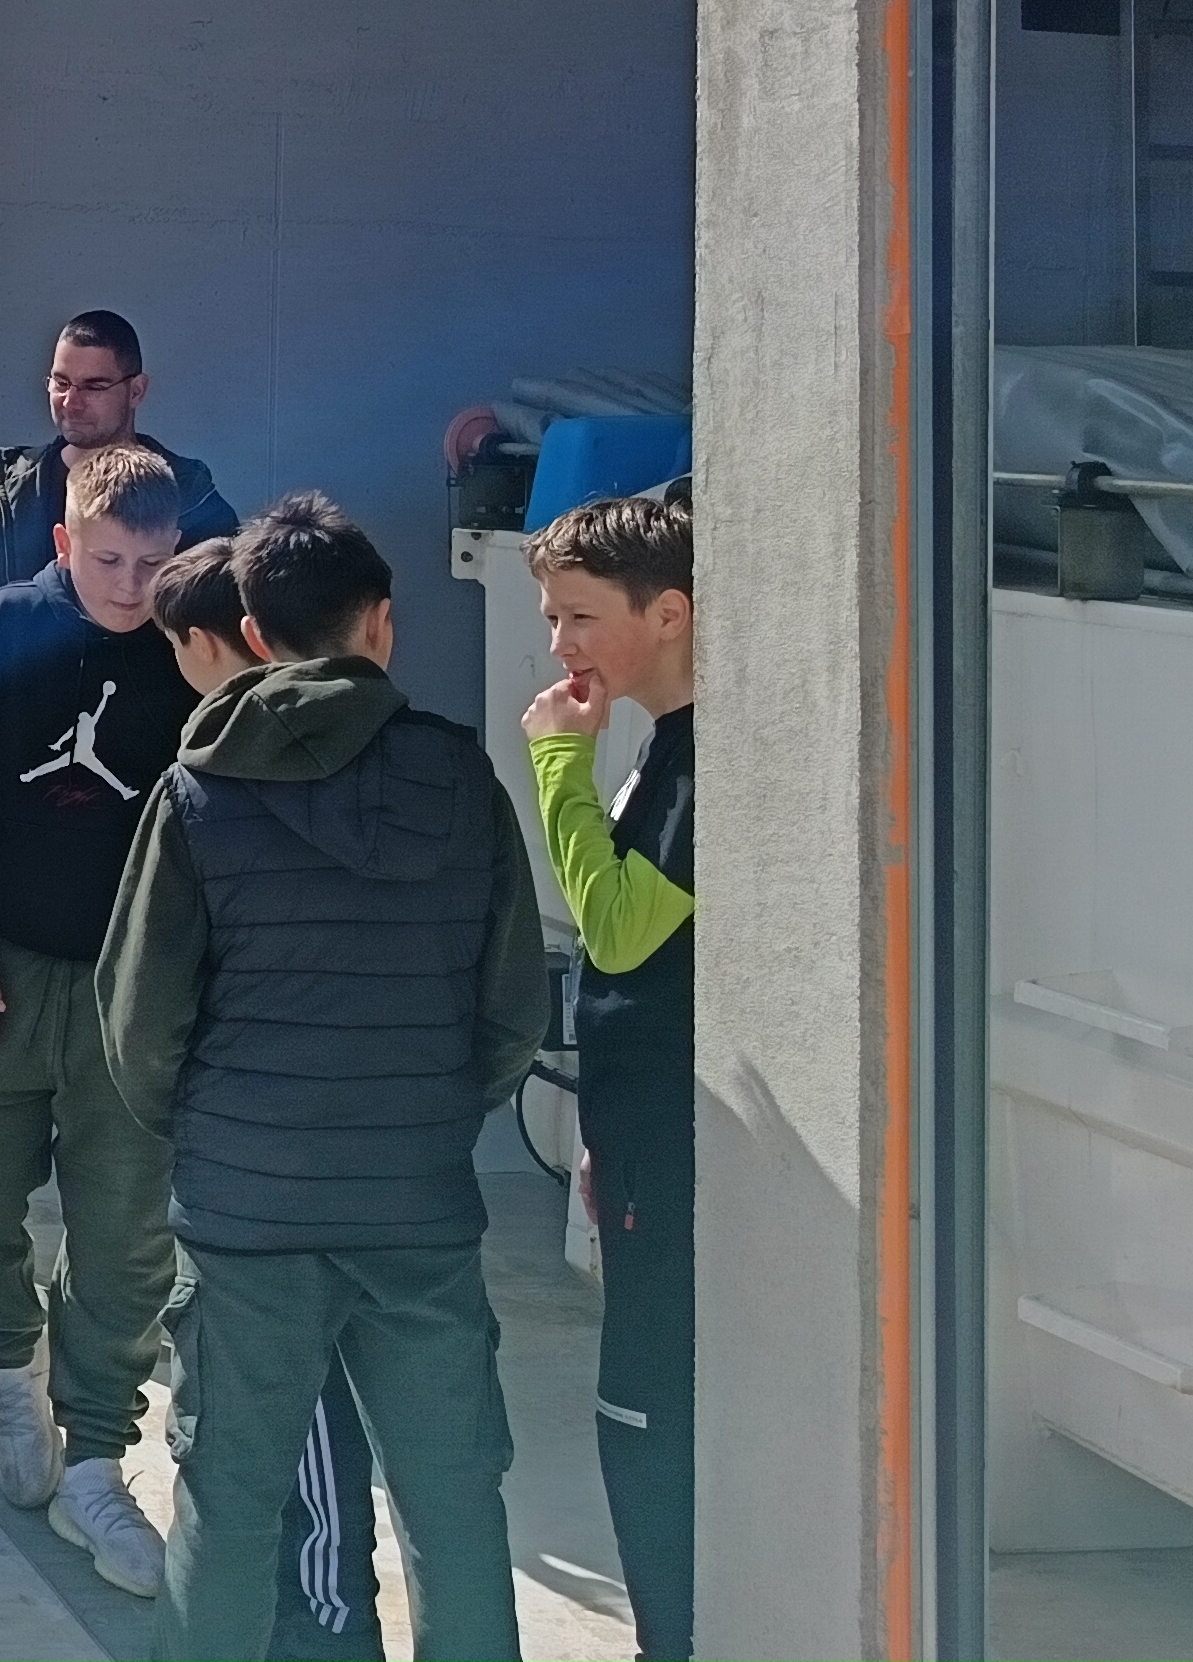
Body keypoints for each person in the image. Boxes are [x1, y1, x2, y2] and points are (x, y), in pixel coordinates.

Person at [99, 494, 543, 1662]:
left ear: (251, 633)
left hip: (247, 1211)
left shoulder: (195, 794)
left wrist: (211, 1134)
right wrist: (427, 1114)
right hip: (416, 1201)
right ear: (381, 622)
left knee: (227, 1502)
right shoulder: (462, 779)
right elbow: (510, 1012)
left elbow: (138, 1026)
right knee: (453, 1501)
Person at [0, 441, 193, 1594]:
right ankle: (10, 1364)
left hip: (137, 988)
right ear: (66, 543)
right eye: (108, 560)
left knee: (124, 1231)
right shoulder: (0, 633)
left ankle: (98, 1455)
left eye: (152, 564)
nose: (130, 586)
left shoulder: (196, 648)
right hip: (3, 972)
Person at [120, 537, 390, 1659]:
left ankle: (324, 1622)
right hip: (354, 1157)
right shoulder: (397, 762)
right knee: (269, 1427)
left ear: (217, 641)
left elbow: (144, 1014)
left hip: (274, 1175)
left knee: (293, 1424)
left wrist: (190, 1121)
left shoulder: (221, 781)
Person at [520, 494, 698, 1662]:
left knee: (640, 1405)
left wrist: (556, 764)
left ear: (667, 613)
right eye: (550, 617)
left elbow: (622, 931)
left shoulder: (701, 754)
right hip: (640, 1130)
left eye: (580, 616)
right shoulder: (662, 743)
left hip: (676, 1142)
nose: (559, 644)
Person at [0, 311, 238, 659]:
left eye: (94, 387)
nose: (71, 402)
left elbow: (232, 617)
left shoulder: (190, 500)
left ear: (136, 391)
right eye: (61, 383)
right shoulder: (0, 497)